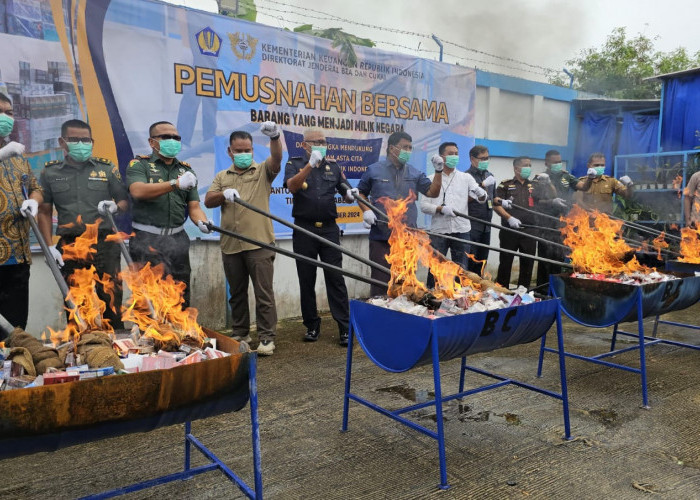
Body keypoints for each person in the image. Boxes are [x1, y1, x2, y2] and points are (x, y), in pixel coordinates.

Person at [38, 119, 128, 329]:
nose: (81, 144)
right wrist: (49, 246)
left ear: (92, 141)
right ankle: (80, 349)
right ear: (62, 142)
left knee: (111, 298)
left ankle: (116, 346)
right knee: (75, 303)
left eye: (85, 140)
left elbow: (124, 200)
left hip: (105, 243)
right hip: (70, 245)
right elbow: (44, 211)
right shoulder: (50, 172)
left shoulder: (106, 169)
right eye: (74, 139)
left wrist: (115, 207)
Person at [205, 122, 283, 356]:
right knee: (237, 293)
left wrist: (275, 137)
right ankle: (241, 332)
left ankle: (267, 338)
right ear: (229, 151)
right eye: (238, 151)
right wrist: (223, 194)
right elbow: (208, 200)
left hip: (258, 243)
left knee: (263, 293)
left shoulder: (261, 171)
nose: (243, 154)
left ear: (252, 150)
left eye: (247, 150)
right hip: (231, 245)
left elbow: (276, 159)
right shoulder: (222, 176)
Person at [127, 121, 211, 308]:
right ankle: (149, 336)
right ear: (152, 142)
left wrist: (202, 222)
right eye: (166, 137)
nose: (172, 141)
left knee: (180, 293)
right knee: (148, 298)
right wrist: (174, 184)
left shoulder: (186, 170)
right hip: (146, 240)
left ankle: (180, 335)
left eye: (176, 138)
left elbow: (194, 207)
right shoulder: (139, 165)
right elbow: (138, 191)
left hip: (177, 239)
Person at [284, 128, 354, 346]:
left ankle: (344, 328)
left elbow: (346, 191)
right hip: (305, 230)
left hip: (329, 229)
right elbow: (292, 186)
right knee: (307, 279)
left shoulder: (333, 166)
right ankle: (312, 326)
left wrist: (351, 194)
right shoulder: (293, 164)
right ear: (305, 145)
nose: (322, 145)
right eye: (317, 142)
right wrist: (309, 165)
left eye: (324, 142)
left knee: (336, 277)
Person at [355, 131, 443, 297]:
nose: (408, 151)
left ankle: (404, 315)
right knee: (381, 282)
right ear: (392, 148)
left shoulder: (414, 173)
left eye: (410, 148)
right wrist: (366, 211)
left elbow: (432, 192)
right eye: (405, 147)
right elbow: (360, 193)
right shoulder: (374, 170)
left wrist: (438, 171)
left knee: (406, 283)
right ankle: (379, 316)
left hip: (408, 237)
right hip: (381, 236)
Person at [0, 93, 43, 334]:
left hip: (18, 256)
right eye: (0, 112)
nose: (5, 117)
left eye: (9, 112)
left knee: (16, 329)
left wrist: (33, 202)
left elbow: (35, 187)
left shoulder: (17, 156)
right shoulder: (8, 152)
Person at [419, 141, 487, 288]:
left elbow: (480, 197)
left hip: (461, 230)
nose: (454, 157)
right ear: (441, 157)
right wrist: (440, 209)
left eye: (456, 154)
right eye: (450, 154)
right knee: (435, 268)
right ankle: (431, 296)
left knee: (461, 269)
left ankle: (459, 299)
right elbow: (423, 206)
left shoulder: (466, 178)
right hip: (439, 231)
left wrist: (482, 195)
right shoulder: (431, 178)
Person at [532, 150, 576, 287]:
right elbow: (535, 201)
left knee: (558, 257)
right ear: (547, 163)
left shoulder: (566, 176)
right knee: (545, 258)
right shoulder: (539, 178)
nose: (558, 164)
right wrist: (551, 202)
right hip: (545, 223)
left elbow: (580, 187)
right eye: (554, 162)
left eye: (559, 162)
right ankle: (542, 289)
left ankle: (555, 289)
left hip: (561, 222)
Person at [494, 156, 539, 289]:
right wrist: (509, 218)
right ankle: (502, 292)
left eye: (530, 165)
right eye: (526, 165)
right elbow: (496, 204)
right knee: (506, 263)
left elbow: (546, 201)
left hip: (530, 230)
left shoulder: (535, 186)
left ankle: (523, 294)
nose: (529, 168)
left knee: (528, 263)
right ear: (516, 168)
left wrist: (547, 184)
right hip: (510, 230)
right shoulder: (505, 185)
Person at [465, 145, 497, 274]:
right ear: (472, 159)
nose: (485, 161)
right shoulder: (466, 176)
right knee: (470, 260)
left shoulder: (490, 175)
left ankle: (478, 289)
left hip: (487, 225)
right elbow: (464, 199)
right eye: (482, 158)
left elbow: (493, 198)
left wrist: (503, 202)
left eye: (487, 158)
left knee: (483, 260)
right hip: (472, 225)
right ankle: (467, 289)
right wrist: (481, 186)